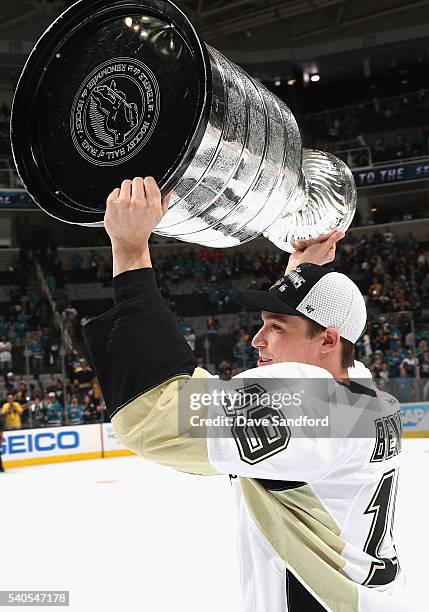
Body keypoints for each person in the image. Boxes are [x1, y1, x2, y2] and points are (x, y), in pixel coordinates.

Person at [83, 177, 406, 611]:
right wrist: (303, 279)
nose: (256, 340)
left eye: (275, 327)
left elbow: (154, 416)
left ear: (328, 340)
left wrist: (129, 249)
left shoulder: (314, 413)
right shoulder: (363, 390)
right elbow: (314, 358)